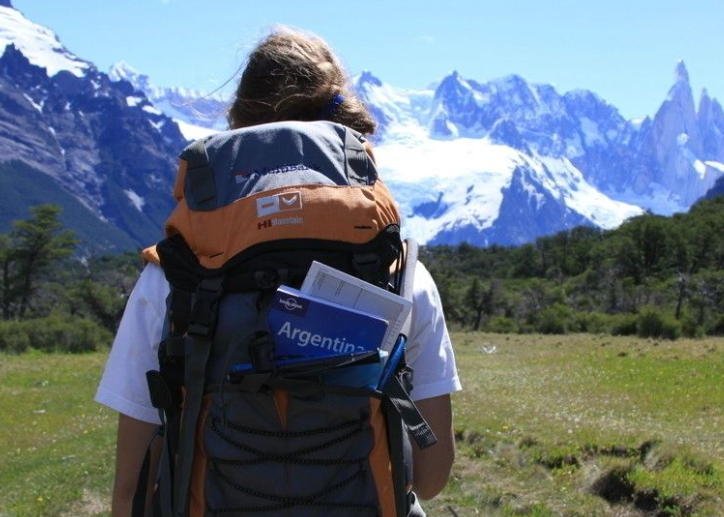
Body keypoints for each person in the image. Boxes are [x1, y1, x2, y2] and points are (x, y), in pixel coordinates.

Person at [95, 27, 461, 517]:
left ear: (238, 121)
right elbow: (432, 477)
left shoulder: (176, 272)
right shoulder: (399, 273)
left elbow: (130, 493)